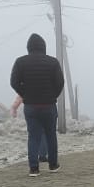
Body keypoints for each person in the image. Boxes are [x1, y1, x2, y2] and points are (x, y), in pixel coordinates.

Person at [10, 33, 63, 177]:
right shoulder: (53, 62)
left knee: (33, 137)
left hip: (31, 107)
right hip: (49, 106)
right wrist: (52, 96)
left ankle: (34, 168)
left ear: (28, 48)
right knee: (51, 135)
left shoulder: (20, 62)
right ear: (43, 47)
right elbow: (60, 83)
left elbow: (14, 82)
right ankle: (53, 165)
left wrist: (25, 94)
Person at [11, 94, 48, 163]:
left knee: (32, 135)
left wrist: (14, 108)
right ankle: (42, 156)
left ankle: (33, 159)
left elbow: (20, 96)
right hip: (43, 108)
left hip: (30, 108)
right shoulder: (45, 83)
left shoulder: (27, 83)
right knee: (43, 133)